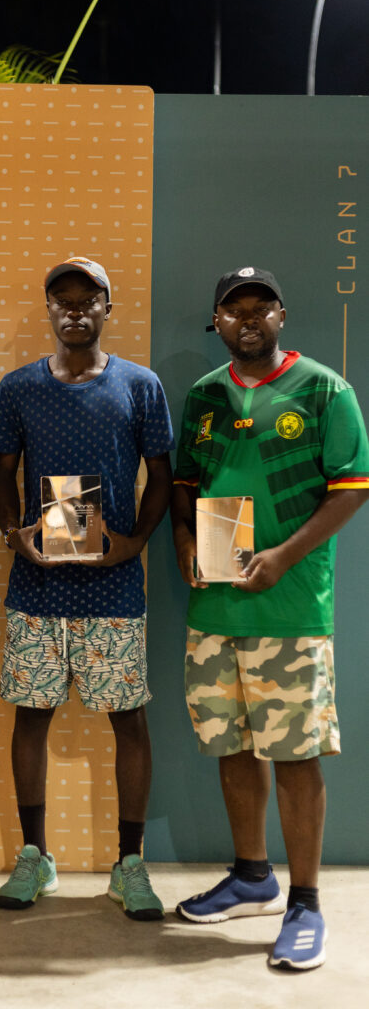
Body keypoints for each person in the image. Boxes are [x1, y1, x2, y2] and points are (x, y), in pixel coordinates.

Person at [171, 266, 368, 970]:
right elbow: (185, 483)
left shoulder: (323, 390)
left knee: (293, 754)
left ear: (281, 315)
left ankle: (305, 903)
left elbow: (352, 487)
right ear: (216, 322)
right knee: (230, 746)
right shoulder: (203, 396)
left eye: (261, 307)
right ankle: (252, 875)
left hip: (289, 607)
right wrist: (186, 541)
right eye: (234, 309)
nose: (247, 319)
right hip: (214, 607)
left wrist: (282, 557)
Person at [0, 257, 173, 917]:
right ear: (47, 309)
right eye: (61, 299)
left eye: (87, 299)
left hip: (112, 585)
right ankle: (34, 858)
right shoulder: (18, 388)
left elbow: (161, 476)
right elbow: (0, 477)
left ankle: (130, 864)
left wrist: (134, 542)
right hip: (37, 587)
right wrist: (16, 536)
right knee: (30, 717)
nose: (74, 309)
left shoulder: (140, 386)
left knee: (129, 720)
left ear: (106, 308)